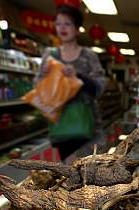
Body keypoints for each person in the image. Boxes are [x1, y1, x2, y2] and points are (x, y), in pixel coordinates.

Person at [36, 5, 106, 161]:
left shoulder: (89, 56)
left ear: (77, 28)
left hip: (88, 126)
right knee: (67, 174)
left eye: (67, 24)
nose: (62, 28)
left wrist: (78, 77)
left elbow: (99, 88)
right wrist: (44, 77)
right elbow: (38, 90)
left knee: (90, 171)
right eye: (58, 23)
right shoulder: (50, 55)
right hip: (61, 126)